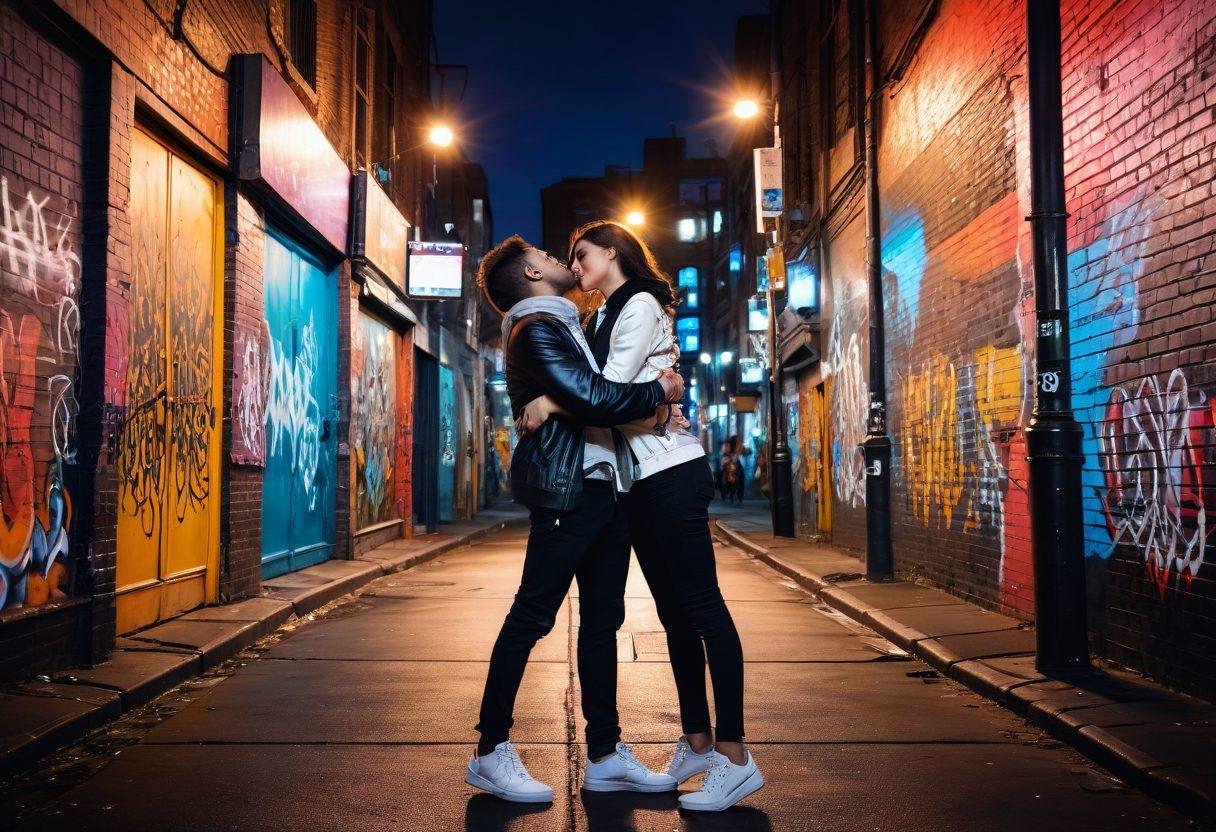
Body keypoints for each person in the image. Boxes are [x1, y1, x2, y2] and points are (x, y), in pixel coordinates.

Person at [520, 221, 764, 812]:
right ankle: (698, 742)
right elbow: (612, 396)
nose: (575, 263)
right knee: (675, 617)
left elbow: (605, 389)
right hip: (639, 482)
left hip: (673, 471)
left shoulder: (639, 304)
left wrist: (553, 399)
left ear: (613, 252)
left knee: (703, 608)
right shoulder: (601, 317)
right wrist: (656, 397)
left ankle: (735, 756)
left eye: (582, 253)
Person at [465, 235, 685, 804]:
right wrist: (659, 390)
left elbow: (594, 394)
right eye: (546, 256)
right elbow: (597, 397)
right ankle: (490, 751)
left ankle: (605, 756)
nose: (561, 260)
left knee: (603, 621)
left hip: (602, 486)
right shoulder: (536, 329)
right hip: (569, 492)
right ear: (531, 275)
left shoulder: (568, 326)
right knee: (532, 616)